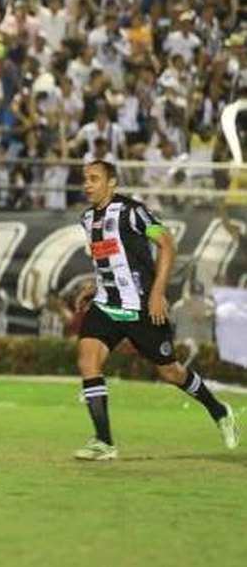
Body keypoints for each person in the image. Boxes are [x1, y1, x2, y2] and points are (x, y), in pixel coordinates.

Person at [72, 160, 238, 460]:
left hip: (141, 307)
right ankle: (104, 442)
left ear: (112, 183)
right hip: (107, 306)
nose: (87, 184)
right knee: (88, 362)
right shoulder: (86, 219)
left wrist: (158, 292)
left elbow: (167, 245)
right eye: (85, 179)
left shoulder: (133, 211)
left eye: (94, 179)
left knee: (170, 372)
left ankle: (219, 410)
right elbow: (108, 260)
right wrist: (94, 287)